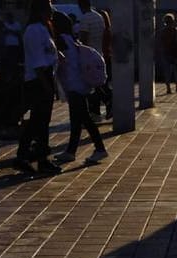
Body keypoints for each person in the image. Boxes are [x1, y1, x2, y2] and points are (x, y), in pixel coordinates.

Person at [53, 10, 104, 161]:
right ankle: (71, 151)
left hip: (74, 85)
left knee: (84, 119)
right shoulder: (69, 38)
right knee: (78, 120)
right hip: (77, 84)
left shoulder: (61, 40)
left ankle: (100, 149)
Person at [15, 0, 59, 171]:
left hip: (46, 78)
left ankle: (26, 156)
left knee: (39, 121)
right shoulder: (34, 30)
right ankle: (40, 158)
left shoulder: (43, 29)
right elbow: (38, 62)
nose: (52, 11)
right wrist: (46, 86)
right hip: (38, 80)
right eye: (49, 7)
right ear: (40, 10)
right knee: (39, 122)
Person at [156, 12, 177, 92]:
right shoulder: (175, 30)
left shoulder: (162, 31)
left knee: (167, 71)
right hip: (175, 53)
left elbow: (160, 42)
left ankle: (168, 89)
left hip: (166, 53)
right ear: (173, 21)